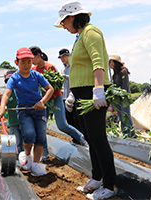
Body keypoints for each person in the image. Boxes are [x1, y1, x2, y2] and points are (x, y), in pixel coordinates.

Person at [54, 1, 118, 199]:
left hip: (93, 92)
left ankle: (110, 184)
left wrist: (98, 89)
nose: (63, 26)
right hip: (81, 93)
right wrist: (73, 93)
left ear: (72, 17)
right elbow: (79, 67)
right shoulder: (79, 36)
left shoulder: (91, 32)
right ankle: (98, 177)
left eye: (64, 21)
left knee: (98, 139)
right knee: (90, 138)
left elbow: (98, 61)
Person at [0, 47, 54, 177]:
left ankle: (36, 164)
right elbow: (7, 93)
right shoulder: (14, 78)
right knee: (29, 135)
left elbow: (49, 89)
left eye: (29, 62)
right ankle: (27, 155)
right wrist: (2, 107)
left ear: (32, 61)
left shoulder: (36, 75)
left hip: (39, 110)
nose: (26, 65)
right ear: (16, 62)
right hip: (24, 110)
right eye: (23, 62)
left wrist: (42, 102)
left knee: (40, 138)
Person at [30, 46, 88, 154]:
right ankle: (45, 153)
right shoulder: (33, 70)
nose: (31, 62)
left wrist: (47, 87)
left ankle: (81, 138)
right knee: (41, 127)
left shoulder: (49, 66)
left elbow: (58, 83)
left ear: (38, 56)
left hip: (56, 98)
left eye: (32, 58)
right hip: (43, 101)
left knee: (61, 125)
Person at [109, 54, 136, 137]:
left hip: (124, 98)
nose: (110, 64)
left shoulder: (123, 72)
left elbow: (125, 87)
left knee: (126, 117)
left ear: (115, 62)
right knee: (121, 117)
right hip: (117, 99)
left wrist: (121, 98)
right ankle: (125, 134)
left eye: (111, 62)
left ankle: (131, 135)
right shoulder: (114, 75)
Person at [59, 48, 81, 132]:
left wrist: (66, 77)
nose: (62, 59)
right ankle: (75, 138)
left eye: (64, 56)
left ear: (69, 56)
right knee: (69, 119)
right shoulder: (63, 70)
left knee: (77, 118)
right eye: (61, 57)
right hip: (65, 97)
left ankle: (81, 137)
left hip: (74, 96)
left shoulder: (73, 67)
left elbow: (77, 78)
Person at [4, 69, 24, 159]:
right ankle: (14, 159)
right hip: (12, 122)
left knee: (24, 141)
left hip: (23, 120)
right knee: (15, 141)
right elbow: (4, 103)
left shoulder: (22, 91)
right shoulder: (7, 93)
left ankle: (23, 158)